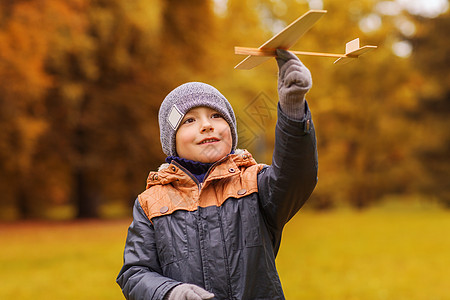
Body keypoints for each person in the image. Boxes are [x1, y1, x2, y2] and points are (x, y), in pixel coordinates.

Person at [116, 49, 318, 300]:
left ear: (230, 130)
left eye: (216, 115)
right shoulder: (151, 203)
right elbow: (134, 272)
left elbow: (296, 175)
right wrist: (169, 292)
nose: (206, 125)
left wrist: (293, 110)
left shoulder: (255, 183)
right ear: (172, 141)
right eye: (189, 121)